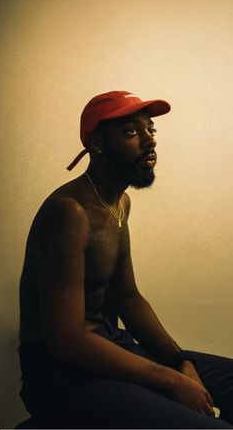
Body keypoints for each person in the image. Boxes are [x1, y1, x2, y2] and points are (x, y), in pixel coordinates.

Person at [18, 90, 233, 429]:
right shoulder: (69, 212)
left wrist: (180, 361)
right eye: (132, 131)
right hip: (66, 379)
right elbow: (67, 341)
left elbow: (128, 298)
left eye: (151, 130)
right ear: (98, 144)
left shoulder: (118, 204)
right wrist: (171, 380)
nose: (149, 141)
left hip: (111, 351)